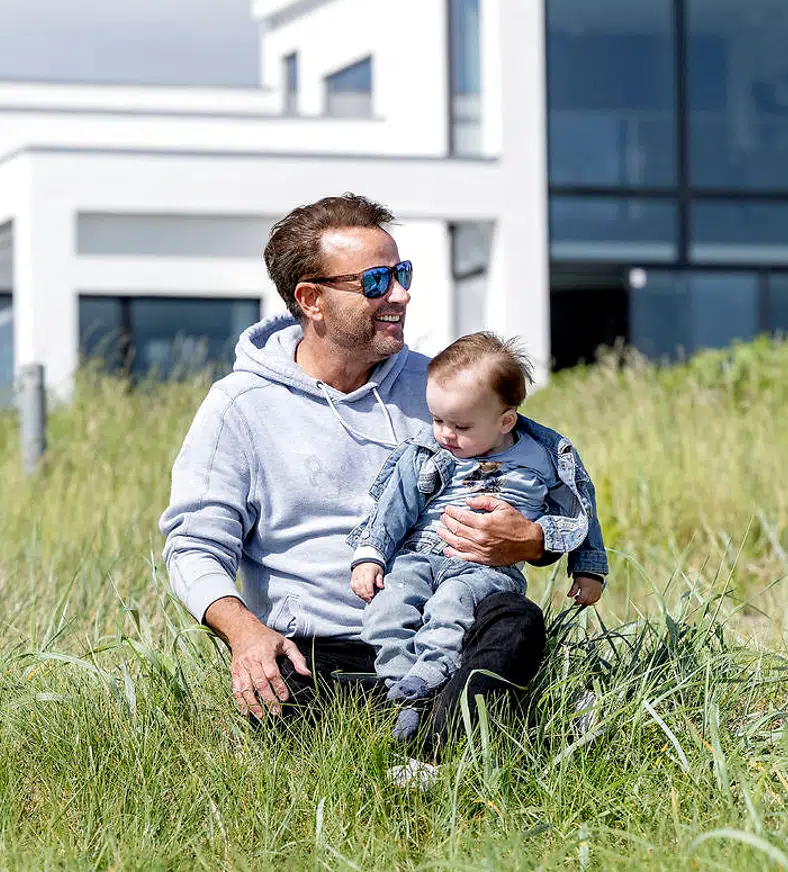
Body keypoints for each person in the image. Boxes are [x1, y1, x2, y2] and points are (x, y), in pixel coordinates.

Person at [159, 193, 605, 753]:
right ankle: (444, 736)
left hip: (449, 625)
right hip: (321, 646)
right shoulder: (239, 407)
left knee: (515, 623)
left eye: (401, 272)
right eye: (375, 281)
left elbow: (543, 470)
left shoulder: (442, 385)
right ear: (311, 299)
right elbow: (194, 547)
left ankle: (428, 752)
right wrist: (246, 633)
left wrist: (534, 541)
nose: (400, 293)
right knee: (291, 702)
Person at [349, 331, 607, 742]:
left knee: (450, 610)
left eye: (461, 426)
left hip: (483, 569)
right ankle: (404, 689)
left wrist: (588, 569)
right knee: (387, 608)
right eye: (437, 420)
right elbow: (394, 506)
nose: (445, 434)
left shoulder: (544, 457)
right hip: (420, 553)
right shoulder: (430, 452)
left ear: (505, 420)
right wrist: (371, 555)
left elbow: (580, 510)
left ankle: (432, 675)